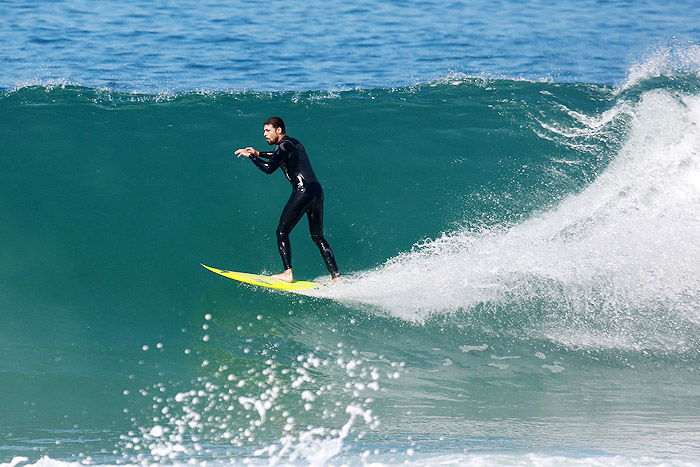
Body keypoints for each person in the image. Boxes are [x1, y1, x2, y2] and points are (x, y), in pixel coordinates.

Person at [235, 117, 340, 283]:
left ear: (278, 130)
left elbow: (269, 168)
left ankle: (287, 273)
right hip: (316, 191)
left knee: (282, 231)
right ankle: (336, 276)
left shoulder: (283, 145)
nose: (264, 134)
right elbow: (277, 155)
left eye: (267, 131)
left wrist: (251, 157)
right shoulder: (292, 143)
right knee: (317, 235)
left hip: (302, 191)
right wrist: (258, 153)